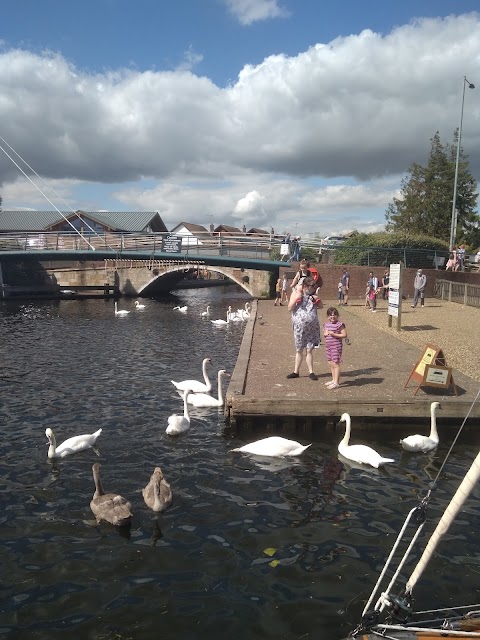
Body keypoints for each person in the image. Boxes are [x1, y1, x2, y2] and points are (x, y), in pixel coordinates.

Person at [287, 276, 323, 380]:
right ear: (305, 286)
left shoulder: (313, 295)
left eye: (314, 286)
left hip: (312, 328)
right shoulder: (296, 293)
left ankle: (311, 372)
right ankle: (296, 371)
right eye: (312, 286)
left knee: (309, 349)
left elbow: (321, 306)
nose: (314, 288)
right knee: (299, 349)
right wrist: (297, 298)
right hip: (299, 328)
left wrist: (316, 300)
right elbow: (289, 308)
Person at [323, 307, 347, 390]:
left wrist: (334, 334)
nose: (332, 317)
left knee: (336, 363)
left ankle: (336, 382)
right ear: (328, 316)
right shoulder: (326, 324)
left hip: (336, 347)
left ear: (337, 315)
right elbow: (325, 333)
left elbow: (344, 335)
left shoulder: (339, 324)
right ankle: (333, 380)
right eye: (330, 315)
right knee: (330, 363)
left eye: (334, 315)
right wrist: (325, 334)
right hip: (328, 346)